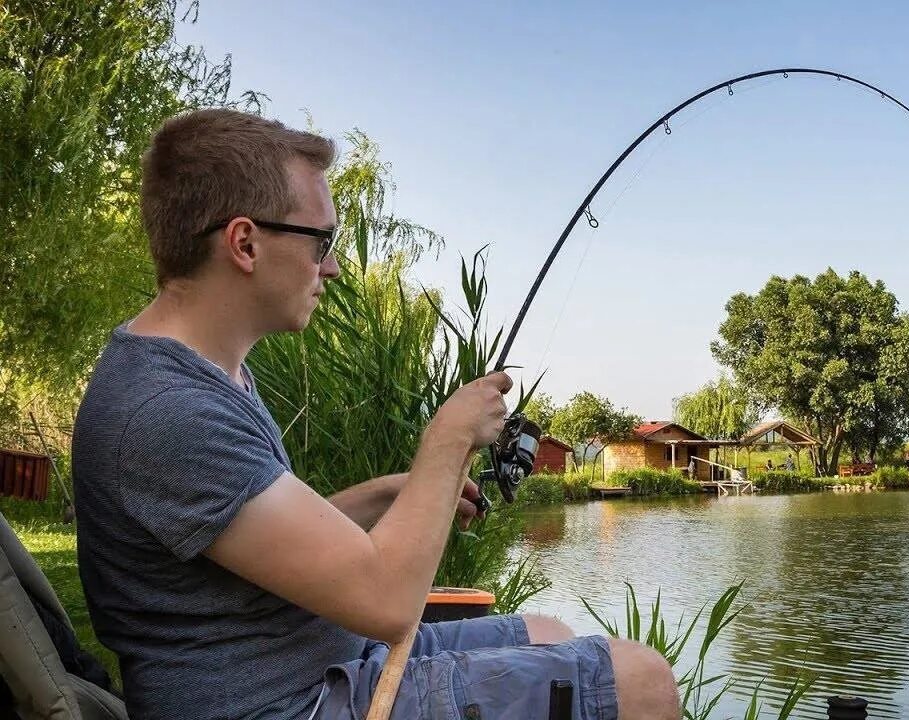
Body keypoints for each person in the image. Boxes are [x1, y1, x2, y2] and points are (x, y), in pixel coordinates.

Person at [71, 109, 678, 720]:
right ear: (245, 243)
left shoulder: (201, 374)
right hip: (284, 704)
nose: (331, 266)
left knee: (549, 630)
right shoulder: (169, 411)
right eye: (320, 241)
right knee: (641, 681)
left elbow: (263, 538)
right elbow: (387, 602)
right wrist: (448, 439)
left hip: (318, 662)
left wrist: (399, 492)